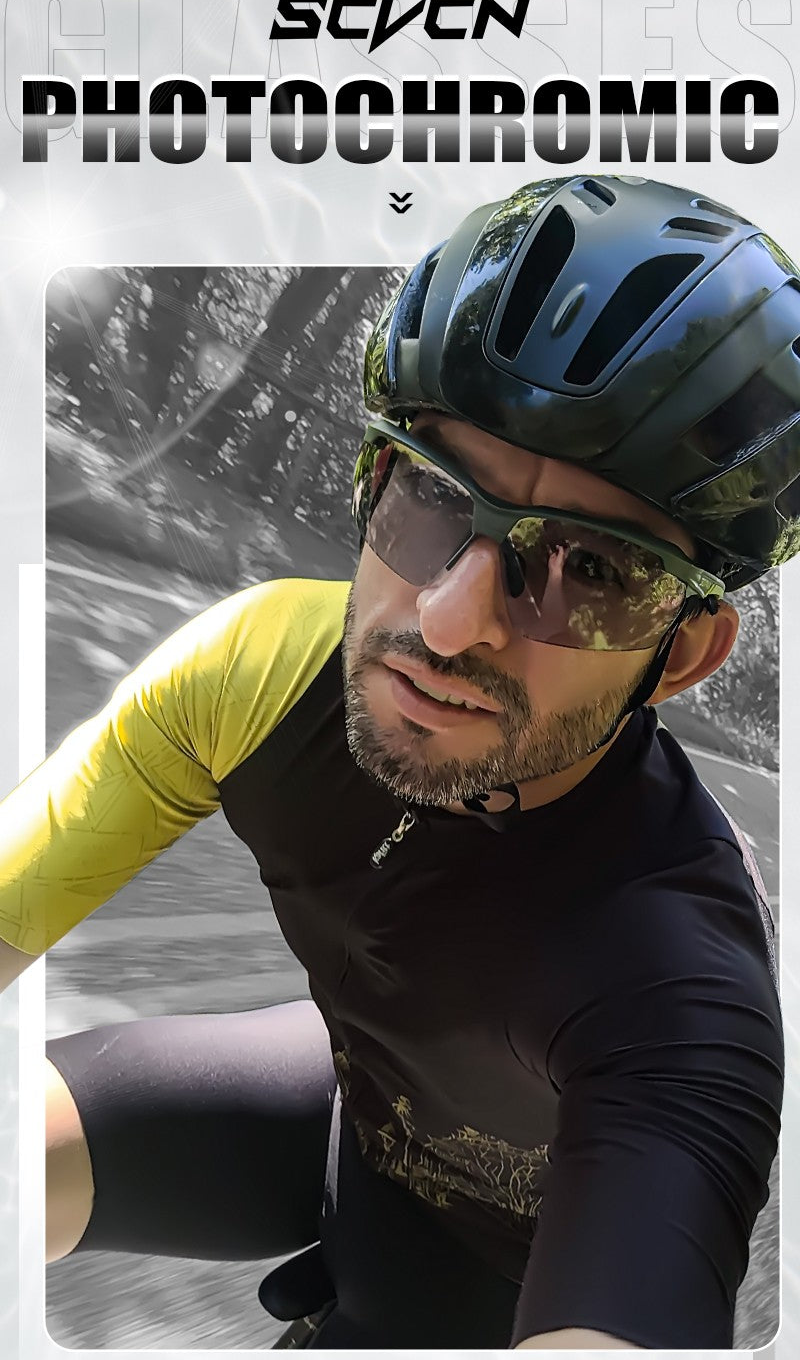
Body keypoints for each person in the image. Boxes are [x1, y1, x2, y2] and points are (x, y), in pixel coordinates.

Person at [1, 174, 795, 1350]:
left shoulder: (680, 989)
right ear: (370, 479)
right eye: (428, 495)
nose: (446, 620)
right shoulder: (258, 670)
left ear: (679, 655)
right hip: (344, 1106)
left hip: (507, 1279)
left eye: (588, 570)